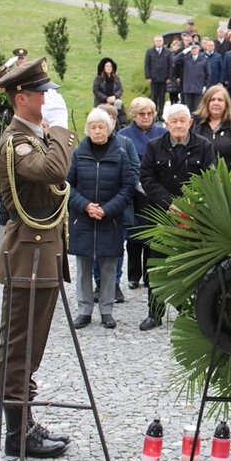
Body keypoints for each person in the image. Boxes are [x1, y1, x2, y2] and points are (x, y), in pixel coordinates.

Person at [0, 57, 79, 458]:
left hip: (41, 255)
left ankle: (25, 421)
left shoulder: (34, 136)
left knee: (33, 345)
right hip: (27, 256)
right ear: (22, 97)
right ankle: (17, 435)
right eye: (41, 92)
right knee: (19, 345)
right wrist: (61, 127)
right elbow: (55, 170)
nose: (48, 97)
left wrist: (53, 130)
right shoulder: (17, 142)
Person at [139, 103, 216, 330]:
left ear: (190, 123)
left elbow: (211, 177)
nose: (179, 125)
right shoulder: (155, 146)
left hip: (193, 218)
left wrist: (192, 202)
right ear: (166, 124)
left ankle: (189, 311)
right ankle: (155, 312)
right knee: (156, 265)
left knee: (190, 265)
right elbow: (147, 178)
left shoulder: (203, 146)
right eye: (174, 121)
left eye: (183, 120)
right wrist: (169, 203)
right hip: (162, 215)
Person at [67, 107, 135, 329]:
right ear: (88, 130)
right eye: (93, 127)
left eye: (101, 127)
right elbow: (68, 187)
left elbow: (127, 188)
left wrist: (106, 209)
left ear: (110, 128)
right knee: (83, 267)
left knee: (108, 266)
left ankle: (106, 310)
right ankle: (84, 310)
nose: (97, 131)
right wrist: (85, 206)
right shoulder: (79, 153)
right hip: (83, 220)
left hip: (110, 219)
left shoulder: (120, 153)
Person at [118, 98, 167, 290]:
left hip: (155, 191)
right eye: (141, 114)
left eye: (149, 113)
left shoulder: (163, 133)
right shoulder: (124, 135)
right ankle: (133, 273)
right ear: (133, 115)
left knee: (153, 236)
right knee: (133, 235)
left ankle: (150, 273)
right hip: (134, 194)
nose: (146, 117)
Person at [192, 85, 231, 170]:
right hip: (200, 180)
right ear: (206, 102)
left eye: (220, 100)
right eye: (212, 99)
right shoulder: (195, 122)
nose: (216, 103)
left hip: (229, 181)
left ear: (226, 103)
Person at [144, 35, 173, 118]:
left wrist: (169, 77)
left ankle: (160, 114)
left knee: (162, 97)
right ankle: (153, 114)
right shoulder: (150, 51)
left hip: (164, 78)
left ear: (163, 42)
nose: (159, 42)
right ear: (154, 42)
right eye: (157, 41)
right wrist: (148, 76)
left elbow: (170, 65)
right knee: (154, 96)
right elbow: (147, 65)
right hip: (154, 78)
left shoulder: (167, 52)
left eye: (160, 41)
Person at [176, 42, 210, 112]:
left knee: (197, 108)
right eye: (192, 48)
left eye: (195, 48)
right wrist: (184, 52)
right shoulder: (186, 58)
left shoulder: (204, 59)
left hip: (198, 87)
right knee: (188, 109)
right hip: (188, 87)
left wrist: (205, 85)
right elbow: (175, 60)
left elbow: (208, 74)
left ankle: (196, 122)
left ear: (199, 48)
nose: (193, 50)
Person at [92, 57, 126, 124]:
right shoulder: (98, 78)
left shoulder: (116, 78)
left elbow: (120, 89)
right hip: (101, 103)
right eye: (107, 66)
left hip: (115, 102)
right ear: (103, 67)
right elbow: (95, 90)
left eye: (110, 66)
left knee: (120, 111)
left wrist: (115, 97)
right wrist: (106, 98)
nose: (109, 68)